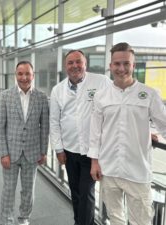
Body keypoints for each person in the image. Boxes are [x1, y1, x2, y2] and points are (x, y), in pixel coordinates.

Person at [88, 42, 166, 225]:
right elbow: (95, 132)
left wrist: (147, 133)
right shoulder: (101, 96)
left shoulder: (149, 94)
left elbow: (164, 124)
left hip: (137, 171)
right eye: (117, 64)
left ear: (133, 65)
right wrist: (94, 162)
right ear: (110, 66)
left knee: (142, 221)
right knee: (115, 218)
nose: (121, 68)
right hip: (109, 169)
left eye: (126, 63)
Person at [50, 50, 111, 225]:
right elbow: (54, 122)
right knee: (75, 191)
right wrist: (58, 149)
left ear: (85, 64)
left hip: (93, 152)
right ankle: (80, 222)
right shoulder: (57, 90)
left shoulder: (101, 82)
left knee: (86, 193)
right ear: (65, 66)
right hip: (69, 151)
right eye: (70, 62)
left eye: (78, 62)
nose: (75, 65)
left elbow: (116, 109)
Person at [0, 61, 49, 225]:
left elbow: (44, 127)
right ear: (15, 75)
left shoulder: (41, 97)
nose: (24, 77)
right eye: (20, 74)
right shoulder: (5, 96)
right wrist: (3, 153)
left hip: (32, 153)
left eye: (27, 74)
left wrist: (44, 151)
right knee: (8, 190)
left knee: (28, 191)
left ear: (33, 75)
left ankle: (24, 217)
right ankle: (7, 220)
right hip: (11, 153)